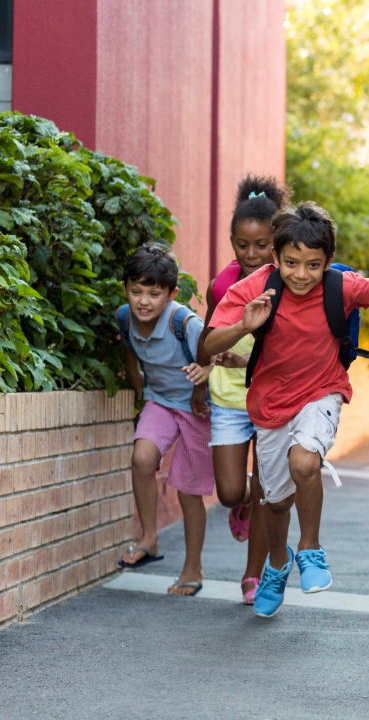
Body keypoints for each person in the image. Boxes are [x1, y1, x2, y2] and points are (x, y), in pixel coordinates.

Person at [203, 201, 369, 618]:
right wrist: (243, 327)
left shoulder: (342, 287)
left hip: (322, 393)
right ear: (276, 257)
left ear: (328, 261)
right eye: (291, 263)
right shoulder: (254, 287)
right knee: (273, 502)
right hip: (270, 405)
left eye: (313, 265)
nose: (301, 275)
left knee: (304, 463)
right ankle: (276, 564)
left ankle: (310, 548)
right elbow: (209, 344)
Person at [197, 175, 286, 604]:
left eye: (262, 244)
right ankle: (245, 503)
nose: (252, 255)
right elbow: (207, 341)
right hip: (230, 397)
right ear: (232, 241)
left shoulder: (294, 280)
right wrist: (205, 374)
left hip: (274, 401)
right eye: (242, 245)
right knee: (232, 491)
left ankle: (254, 574)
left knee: (269, 489)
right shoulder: (223, 285)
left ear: (278, 240)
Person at [116, 245, 215, 598]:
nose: (144, 301)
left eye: (154, 293)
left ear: (171, 293)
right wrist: (133, 378)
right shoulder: (125, 316)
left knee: (188, 492)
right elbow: (129, 346)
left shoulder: (184, 322)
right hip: (159, 401)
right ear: (126, 287)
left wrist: (201, 383)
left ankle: (192, 568)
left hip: (195, 407)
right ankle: (149, 539)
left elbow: (212, 351)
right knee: (142, 457)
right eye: (136, 290)